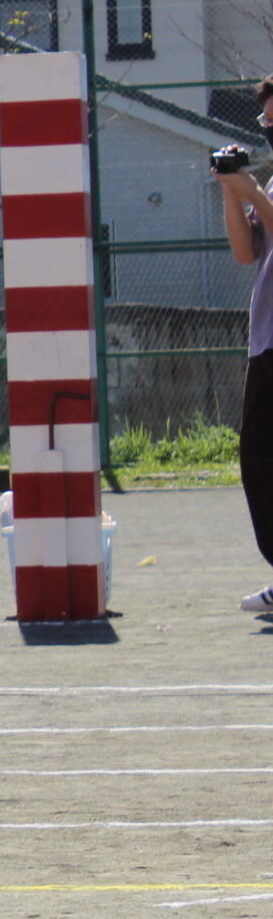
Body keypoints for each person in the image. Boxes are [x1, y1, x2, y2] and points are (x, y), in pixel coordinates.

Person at [219, 87, 273, 615]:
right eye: (267, 119)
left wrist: (254, 194)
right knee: (259, 458)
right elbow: (244, 253)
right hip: (267, 340)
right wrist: (231, 193)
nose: (267, 128)